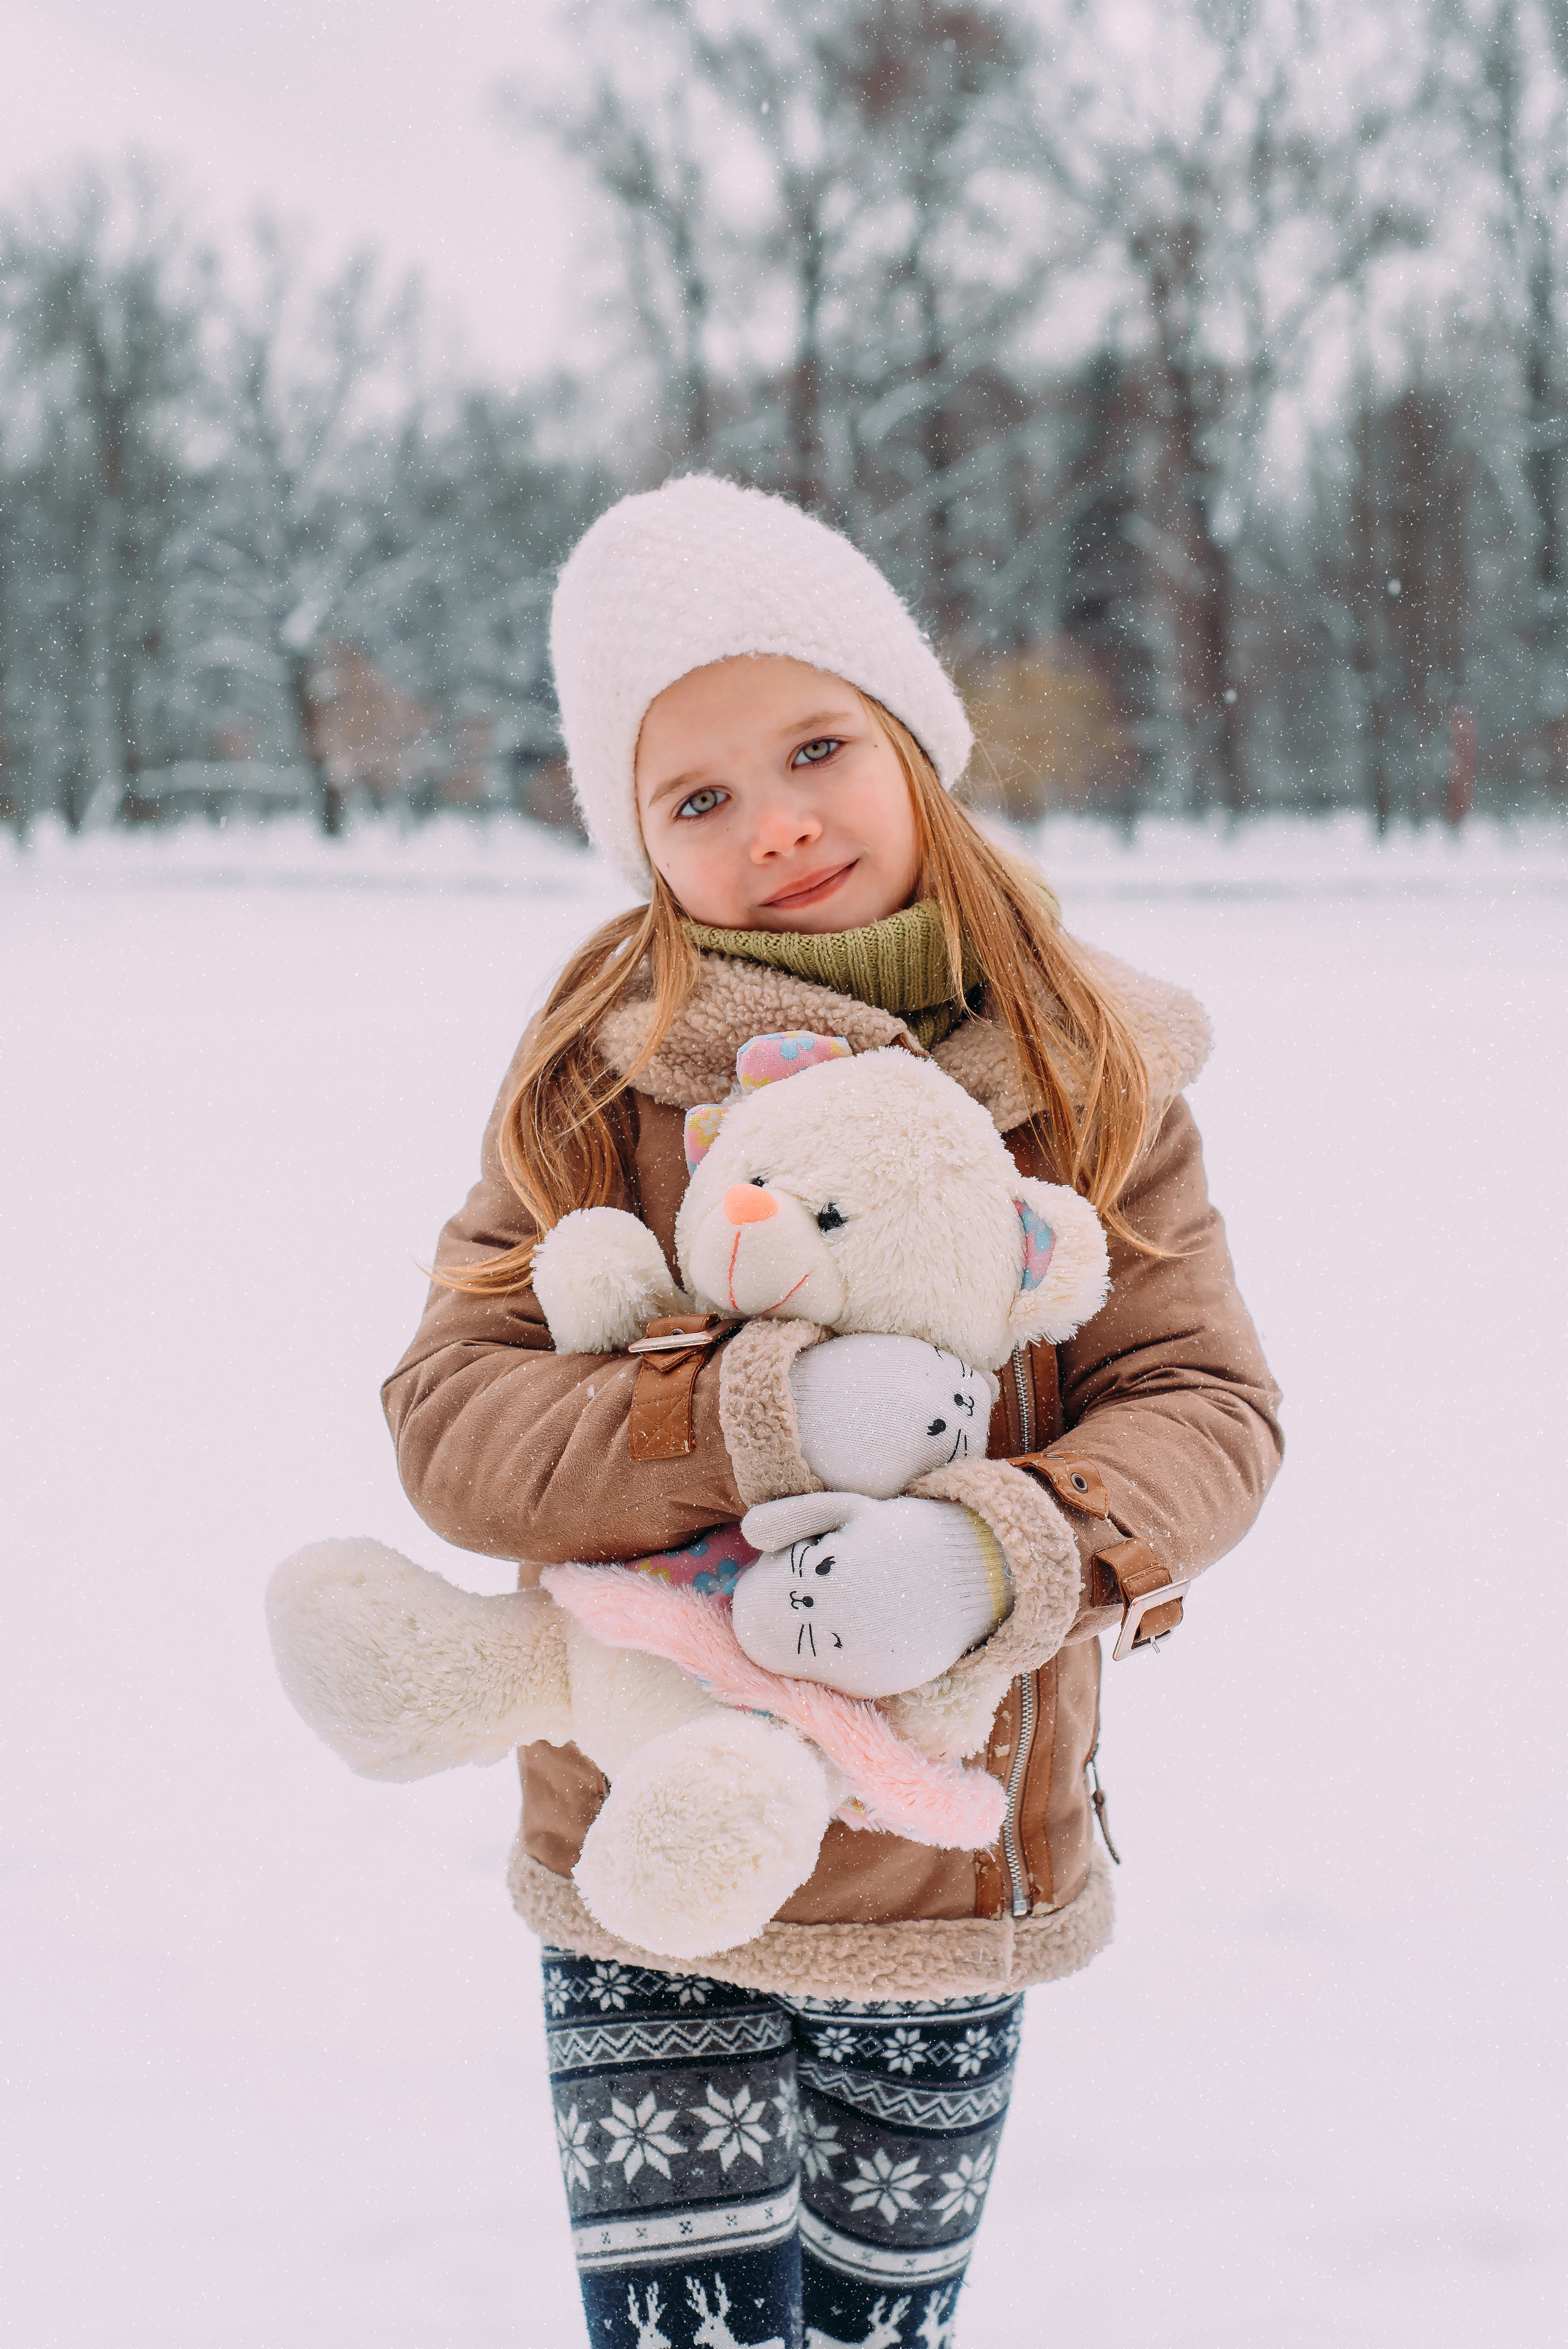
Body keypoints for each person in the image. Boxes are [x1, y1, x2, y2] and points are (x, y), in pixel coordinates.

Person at [383, 477, 1282, 2349]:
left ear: (919, 746)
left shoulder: (1089, 1080)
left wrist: (993, 1551)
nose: (777, 821)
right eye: (696, 795)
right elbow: (452, 1416)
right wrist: (759, 1417)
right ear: (639, 844)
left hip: (952, 1866)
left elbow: (1204, 1402)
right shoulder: (590, 1085)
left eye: (819, 746)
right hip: (654, 1865)